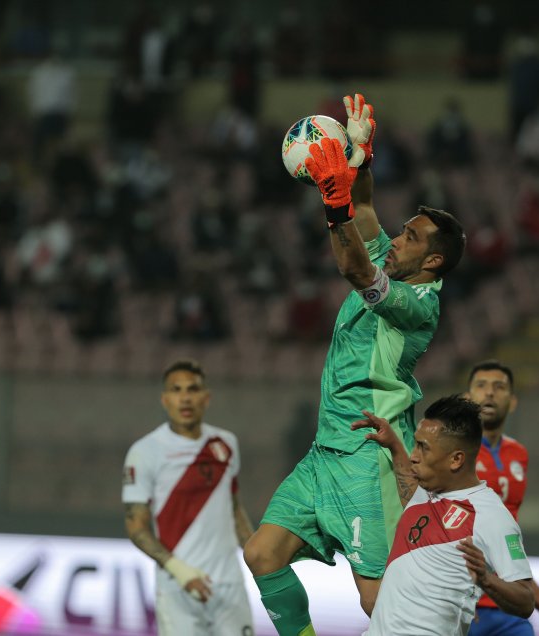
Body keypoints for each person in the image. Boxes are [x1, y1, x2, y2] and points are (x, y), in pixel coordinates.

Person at [243, 93, 467, 635]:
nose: (397, 238)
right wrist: (361, 155)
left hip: (368, 457)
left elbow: (355, 267)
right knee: (262, 554)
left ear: (432, 261)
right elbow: (364, 212)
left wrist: (331, 197)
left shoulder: (418, 305)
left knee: (377, 603)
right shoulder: (393, 255)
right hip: (325, 451)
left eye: (410, 236)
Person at [351, 396, 535, 636]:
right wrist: (395, 445)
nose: (414, 455)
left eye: (423, 447)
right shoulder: (425, 491)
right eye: (415, 445)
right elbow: (406, 479)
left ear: (456, 459)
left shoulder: (489, 515)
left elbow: (526, 601)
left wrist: (487, 581)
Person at [122, 359, 255, 636]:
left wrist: (257, 554)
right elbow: (136, 527)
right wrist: (181, 571)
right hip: (177, 586)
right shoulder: (145, 451)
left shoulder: (225, 443)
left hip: (228, 584)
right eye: (176, 389)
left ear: (206, 398)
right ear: (164, 399)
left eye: (193, 389)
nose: (185, 397)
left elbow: (233, 508)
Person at [466, 360, 539, 635]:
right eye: (481, 386)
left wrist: (531, 586)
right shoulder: (453, 453)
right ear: (467, 399)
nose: (490, 393)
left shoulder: (519, 454)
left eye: (499, 387)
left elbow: (508, 533)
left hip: (506, 600)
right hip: (464, 599)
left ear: (513, 401)